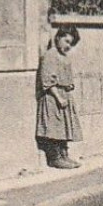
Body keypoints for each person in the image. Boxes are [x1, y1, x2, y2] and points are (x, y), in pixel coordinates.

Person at [36, 25, 83, 168]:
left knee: (64, 127)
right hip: (53, 97)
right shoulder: (50, 55)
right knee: (54, 127)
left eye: (71, 43)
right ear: (58, 38)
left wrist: (69, 87)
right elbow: (48, 80)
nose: (68, 46)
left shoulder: (63, 56)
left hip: (64, 95)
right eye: (66, 41)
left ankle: (64, 155)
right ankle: (54, 158)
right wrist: (59, 97)